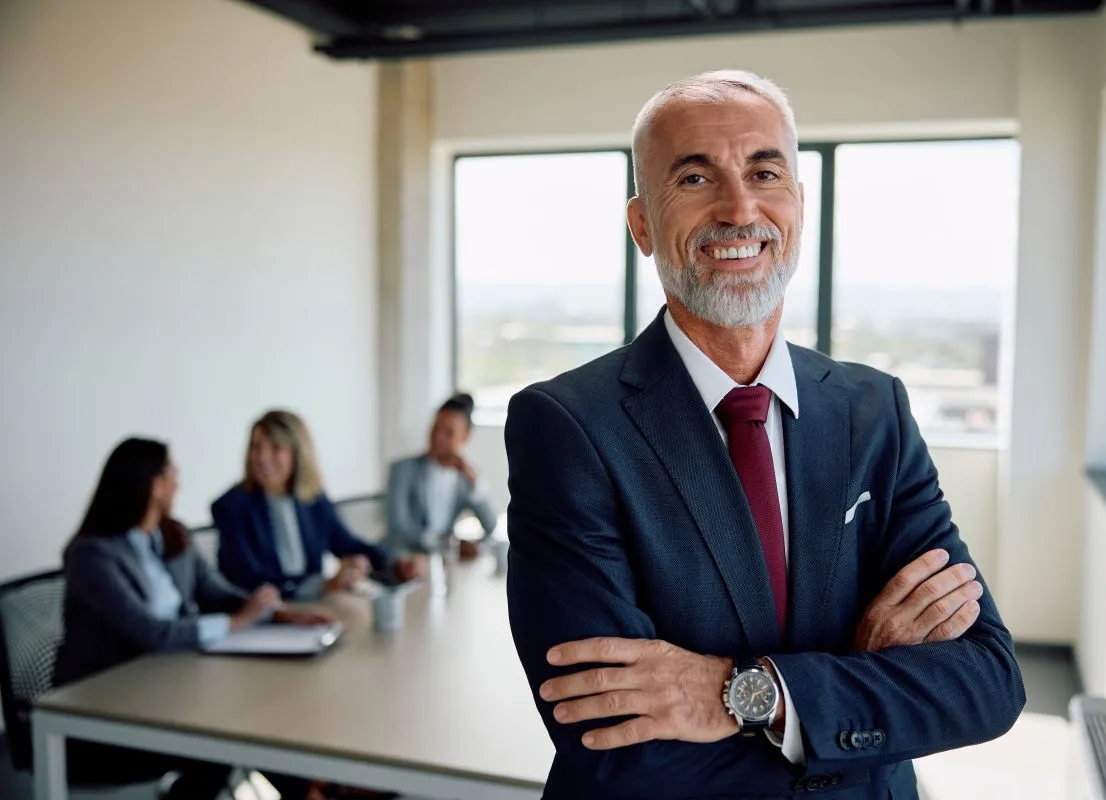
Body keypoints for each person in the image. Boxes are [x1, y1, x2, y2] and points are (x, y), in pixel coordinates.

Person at [504, 71, 1025, 799]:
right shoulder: (567, 428)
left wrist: (751, 693)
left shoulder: (876, 411)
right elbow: (613, 745)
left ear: (799, 207)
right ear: (643, 225)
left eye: (764, 171)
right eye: (694, 176)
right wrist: (855, 677)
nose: (739, 207)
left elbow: (987, 683)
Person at [54, 438, 335, 800]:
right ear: (155, 486)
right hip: (109, 710)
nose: (178, 484)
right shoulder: (91, 556)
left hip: (171, 684)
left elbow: (216, 593)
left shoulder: (173, 535)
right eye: (173, 474)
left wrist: (278, 614)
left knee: (257, 717)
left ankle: (311, 789)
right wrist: (236, 623)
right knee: (229, 734)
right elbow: (151, 633)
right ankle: (312, 790)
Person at [214, 410, 425, 601]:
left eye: (275, 448)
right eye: (256, 447)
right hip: (262, 622)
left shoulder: (312, 499)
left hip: (313, 613)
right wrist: (325, 586)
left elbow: (348, 544)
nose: (262, 457)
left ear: (297, 454)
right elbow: (251, 582)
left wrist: (397, 563)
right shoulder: (231, 507)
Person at [384, 393, 498, 560]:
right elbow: (398, 529)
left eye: (448, 433)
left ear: (465, 437)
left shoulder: (463, 478)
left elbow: (491, 525)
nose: (438, 437)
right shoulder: (402, 470)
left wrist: (473, 481)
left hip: (443, 565)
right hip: (403, 564)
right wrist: (449, 543)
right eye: (435, 428)